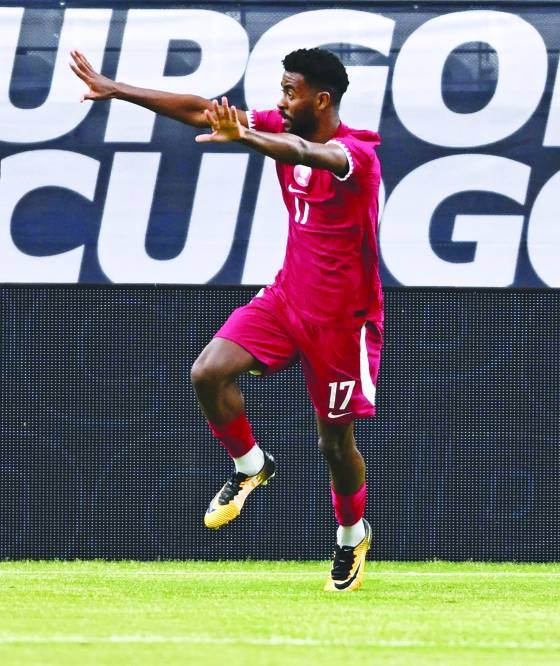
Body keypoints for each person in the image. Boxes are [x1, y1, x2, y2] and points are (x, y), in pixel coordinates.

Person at [70, 47, 383, 592]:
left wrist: (251, 141)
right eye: (282, 90)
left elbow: (308, 153)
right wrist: (115, 88)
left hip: (342, 322)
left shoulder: (356, 154)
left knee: (334, 444)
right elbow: (200, 110)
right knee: (207, 372)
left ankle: (352, 535)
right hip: (287, 300)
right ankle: (250, 465)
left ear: (322, 99)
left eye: (291, 91)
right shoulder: (275, 126)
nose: (281, 100)